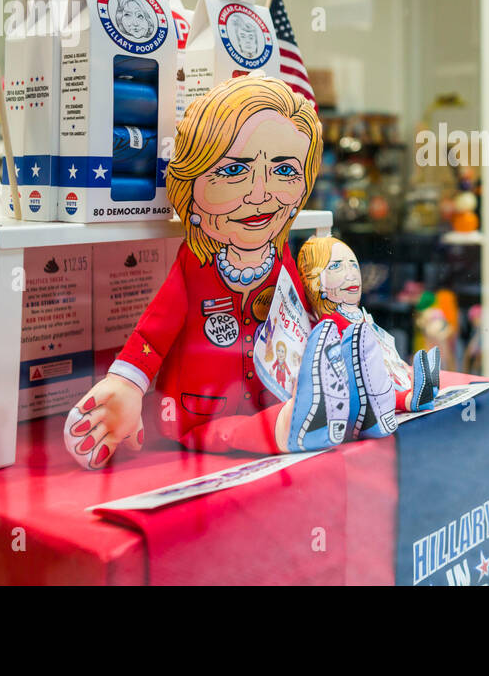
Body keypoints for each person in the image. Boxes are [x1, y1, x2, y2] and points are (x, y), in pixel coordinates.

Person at [64, 76, 391, 468]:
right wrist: (128, 383)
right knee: (224, 432)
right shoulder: (195, 262)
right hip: (204, 408)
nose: (260, 194)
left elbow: (300, 316)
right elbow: (156, 328)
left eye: (285, 171)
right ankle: (290, 428)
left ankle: (376, 400)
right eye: (234, 169)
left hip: (272, 393)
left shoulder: (280, 255)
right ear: (192, 179)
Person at [297, 235, 440, 414]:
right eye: (336, 266)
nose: (351, 274)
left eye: (354, 265)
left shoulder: (355, 315)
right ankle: (412, 398)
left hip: (378, 374)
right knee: (376, 391)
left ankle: (421, 387)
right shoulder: (331, 323)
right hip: (362, 387)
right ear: (316, 281)